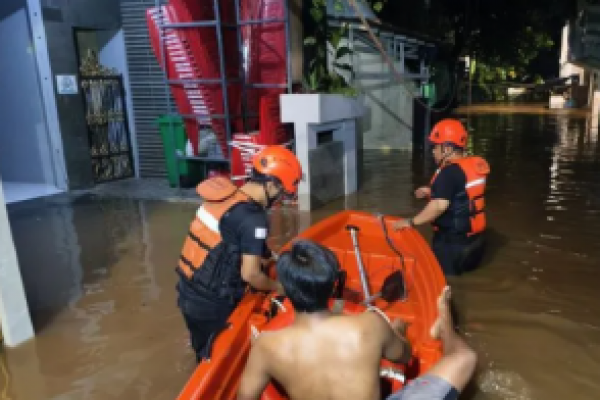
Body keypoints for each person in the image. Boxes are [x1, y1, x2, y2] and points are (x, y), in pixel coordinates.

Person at [237, 240, 477, 400]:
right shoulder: (369, 325)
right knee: (464, 358)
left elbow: (245, 398)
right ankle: (444, 321)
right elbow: (404, 355)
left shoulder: (266, 346)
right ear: (333, 285)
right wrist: (397, 331)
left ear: (285, 291)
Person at [176, 145, 302, 362]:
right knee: (218, 359)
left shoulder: (229, 196)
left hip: (187, 288)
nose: (280, 199)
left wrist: (274, 258)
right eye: (282, 193)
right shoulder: (253, 219)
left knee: (202, 348)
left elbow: (233, 240)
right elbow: (251, 275)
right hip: (212, 304)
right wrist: (279, 287)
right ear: (271, 185)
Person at [393, 118, 490, 276]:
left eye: (435, 146)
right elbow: (462, 195)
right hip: (475, 243)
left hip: (452, 245)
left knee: (443, 281)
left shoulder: (448, 173)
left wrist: (411, 222)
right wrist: (431, 192)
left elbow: (439, 206)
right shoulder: (471, 166)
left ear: (446, 149)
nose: (432, 151)